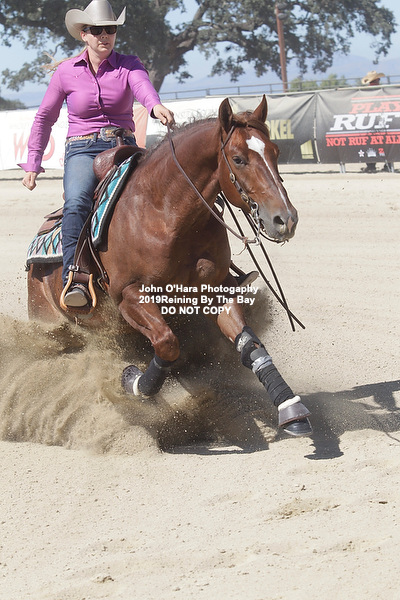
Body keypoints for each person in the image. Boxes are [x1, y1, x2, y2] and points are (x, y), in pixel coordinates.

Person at [20, 0, 175, 308]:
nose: (105, 35)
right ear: (84, 34)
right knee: (77, 202)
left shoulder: (129, 64)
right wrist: (33, 163)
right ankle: (75, 278)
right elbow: (44, 118)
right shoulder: (65, 73)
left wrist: (155, 105)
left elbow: (143, 87)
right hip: (82, 148)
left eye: (111, 29)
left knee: (164, 193)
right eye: (97, 30)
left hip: (123, 146)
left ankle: (208, 268)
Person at [361, 70, 391, 173]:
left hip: (370, 119)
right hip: (381, 119)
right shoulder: (382, 91)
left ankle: (371, 165)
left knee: (370, 142)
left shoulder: (365, 92)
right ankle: (388, 164)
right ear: (377, 80)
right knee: (386, 142)